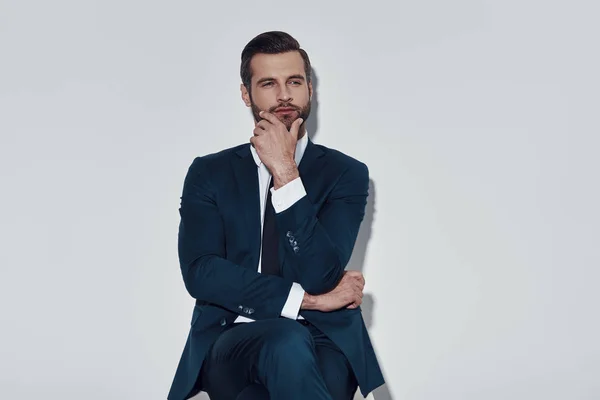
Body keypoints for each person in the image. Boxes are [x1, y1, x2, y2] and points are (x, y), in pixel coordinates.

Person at [167, 31, 384, 400]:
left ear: (310, 90)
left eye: (294, 82)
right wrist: (307, 301)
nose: (284, 94)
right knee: (286, 338)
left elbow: (323, 273)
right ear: (246, 94)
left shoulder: (346, 174)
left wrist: (286, 173)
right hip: (231, 336)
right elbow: (201, 272)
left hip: (323, 336)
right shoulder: (209, 173)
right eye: (268, 83)